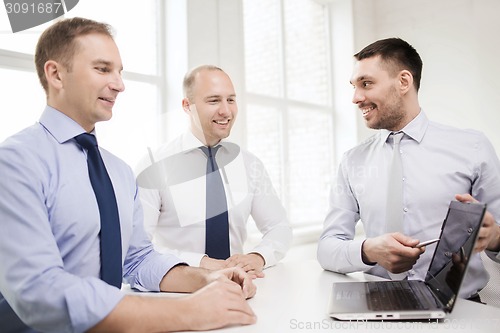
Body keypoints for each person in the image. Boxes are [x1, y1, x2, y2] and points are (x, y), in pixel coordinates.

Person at [0, 17, 257, 333]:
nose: (119, 84)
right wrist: (188, 313)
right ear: (56, 74)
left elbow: (138, 261)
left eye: (119, 71)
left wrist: (206, 279)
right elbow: (38, 292)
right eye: (103, 69)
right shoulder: (15, 162)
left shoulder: (119, 172)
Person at [317, 37, 500, 300]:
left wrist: (494, 237)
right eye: (354, 86)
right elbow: (326, 248)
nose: (356, 98)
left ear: (403, 81)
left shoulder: (473, 147)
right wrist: (368, 250)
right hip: (380, 305)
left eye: (366, 84)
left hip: (461, 310)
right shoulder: (352, 161)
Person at [137, 65, 292, 277]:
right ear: (187, 106)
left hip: (239, 290)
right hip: (177, 294)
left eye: (231, 100)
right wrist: (200, 262)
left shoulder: (249, 164)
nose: (226, 111)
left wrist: (258, 257)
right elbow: (137, 247)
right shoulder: (154, 165)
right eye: (214, 100)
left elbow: (279, 227)